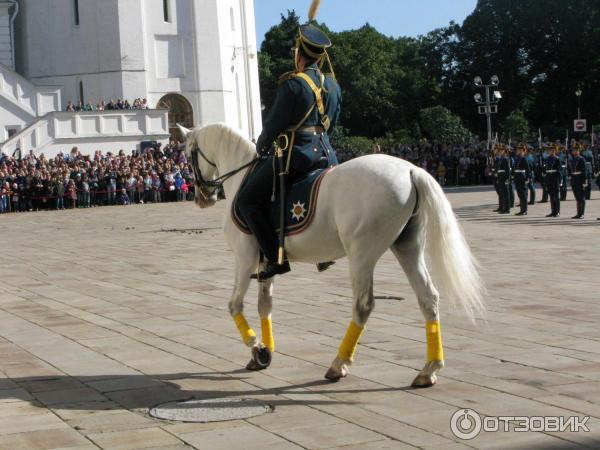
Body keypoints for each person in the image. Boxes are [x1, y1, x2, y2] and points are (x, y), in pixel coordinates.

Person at [236, 20, 341, 281]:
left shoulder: (293, 84)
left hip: (298, 156)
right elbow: (332, 123)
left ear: (299, 52)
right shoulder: (334, 86)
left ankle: (275, 258)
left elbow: (274, 124)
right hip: (328, 155)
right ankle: (323, 249)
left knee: (246, 200)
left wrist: (261, 146)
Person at [570, 143, 586, 219]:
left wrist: (584, 181)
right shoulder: (573, 159)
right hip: (574, 179)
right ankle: (578, 213)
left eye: (575, 150)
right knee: (577, 197)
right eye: (573, 150)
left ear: (578, 151)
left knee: (581, 197)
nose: (573, 151)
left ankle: (582, 214)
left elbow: (584, 171)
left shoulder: (581, 159)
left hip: (580, 179)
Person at [544, 144, 562, 217]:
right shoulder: (547, 158)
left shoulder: (557, 159)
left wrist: (560, 180)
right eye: (550, 150)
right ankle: (553, 211)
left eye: (553, 150)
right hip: (549, 177)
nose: (551, 151)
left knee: (556, 195)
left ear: (555, 150)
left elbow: (559, 170)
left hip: (555, 177)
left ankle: (557, 211)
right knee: (551, 195)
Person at [513, 144, 531, 215]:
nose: (518, 151)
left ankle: (524, 210)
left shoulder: (524, 158)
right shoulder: (517, 158)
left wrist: (527, 178)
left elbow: (528, 170)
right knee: (519, 194)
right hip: (517, 177)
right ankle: (521, 210)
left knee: (523, 195)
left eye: (520, 150)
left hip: (522, 177)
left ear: (523, 151)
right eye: (518, 150)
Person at [496, 145, 511, 214]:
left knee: (506, 194)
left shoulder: (505, 158)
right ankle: (503, 208)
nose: (500, 151)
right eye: (499, 150)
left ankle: (507, 209)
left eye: (501, 150)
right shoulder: (501, 158)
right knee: (502, 193)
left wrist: (507, 179)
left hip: (504, 177)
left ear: (504, 151)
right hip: (501, 177)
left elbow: (507, 170)